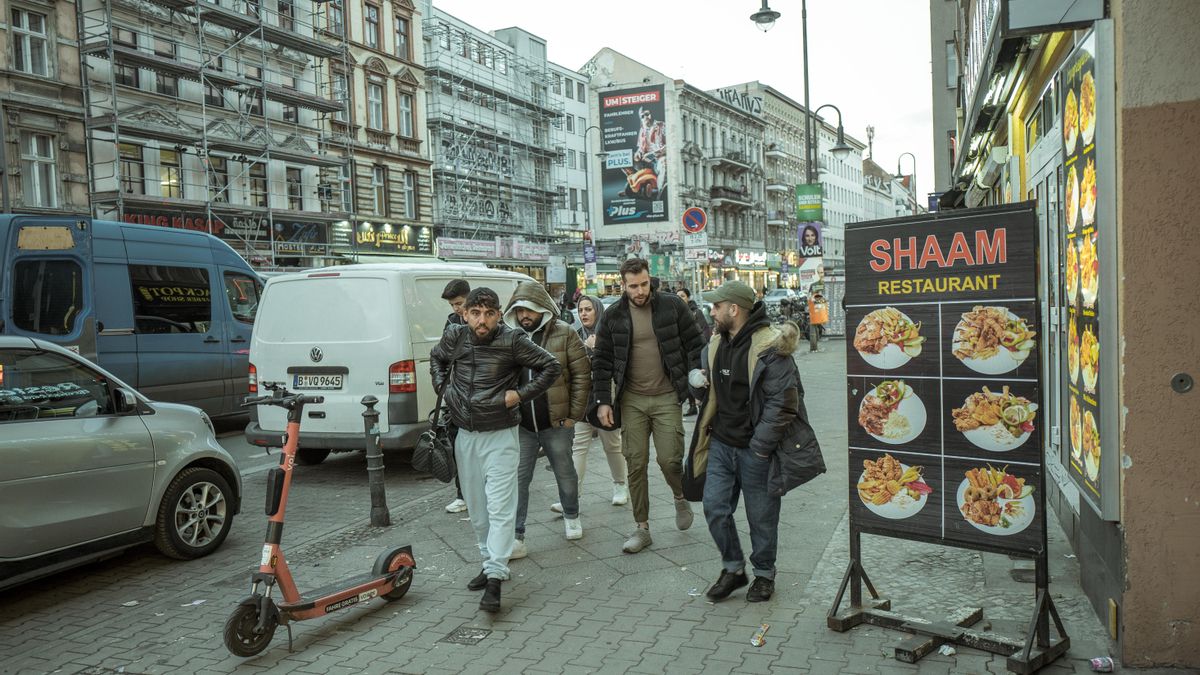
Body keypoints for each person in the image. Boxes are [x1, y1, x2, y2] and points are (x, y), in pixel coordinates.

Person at [688, 281, 824, 602]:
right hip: (721, 444)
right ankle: (733, 568)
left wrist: (761, 447)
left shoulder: (770, 348)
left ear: (733, 309)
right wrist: (697, 383)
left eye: (716, 306)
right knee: (714, 507)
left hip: (755, 449)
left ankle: (763, 574)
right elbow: (710, 394)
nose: (712, 312)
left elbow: (784, 403)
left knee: (761, 517)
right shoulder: (715, 344)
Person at [430, 287, 562, 612]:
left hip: (501, 435)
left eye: (489, 314)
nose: (482, 320)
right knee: (477, 508)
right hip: (465, 434)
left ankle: (495, 578)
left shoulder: (513, 340)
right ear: (465, 314)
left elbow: (551, 367)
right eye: (475, 313)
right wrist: (443, 390)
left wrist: (518, 395)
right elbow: (436, 358)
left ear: (498, 314)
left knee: (501, 506)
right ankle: (488, 562)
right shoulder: (455, 337)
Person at [592, 258, 705, 554]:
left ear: (649, 279)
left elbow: (695, 343)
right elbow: (601, 360)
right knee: (635, 462)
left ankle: (680, 497)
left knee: (669, 459)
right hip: (632, 400)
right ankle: (642, 528)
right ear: (623, 285)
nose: (640, 291)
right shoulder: (613, 315)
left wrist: (694, 378)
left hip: (667, 395)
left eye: (644, 284)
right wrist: (603, 401)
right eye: (634, 286)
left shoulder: (672, 306)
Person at [502, 281, 591, 558]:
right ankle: (517, 535)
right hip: (522, 425)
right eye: (519, 311)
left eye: (529, 310)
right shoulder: (511, 337)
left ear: (542, 308)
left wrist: (573, 416)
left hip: (557, 422)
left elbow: (581, 375)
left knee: (565, 473)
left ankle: (572, 514)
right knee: (518, 478)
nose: (524, 315)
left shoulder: (564, 333)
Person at [558, 295, 628, 512]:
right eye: (581, 310)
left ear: (598, 310)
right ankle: (571, 497)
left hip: (604, 398)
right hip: (581, 400)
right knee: (578, 446)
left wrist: (596, 348)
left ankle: (620, 486)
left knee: (612, 445)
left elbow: (617, 366)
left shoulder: (609, 335)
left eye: (589, 309)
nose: (584, 314)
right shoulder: (575, 336)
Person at [440, 279, 470, 514]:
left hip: (478, 394)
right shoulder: (451, 323)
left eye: (459, 303)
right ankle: (462, 494)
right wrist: (442, 388)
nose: (456, 309)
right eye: (452, 305)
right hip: (456, 394)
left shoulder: (483, 320)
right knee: (457, 446)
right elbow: (441, 355)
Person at [676, 288, 712, 417]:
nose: (680, 298)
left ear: (688, 298)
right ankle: (691, 405)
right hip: (682, 352)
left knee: (694, 377)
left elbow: (704, 331)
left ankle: (698, 403)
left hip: (694, 352)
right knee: (685, 378)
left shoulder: (696, 312)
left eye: (683, 296)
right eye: (678, 296)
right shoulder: (676, 313)